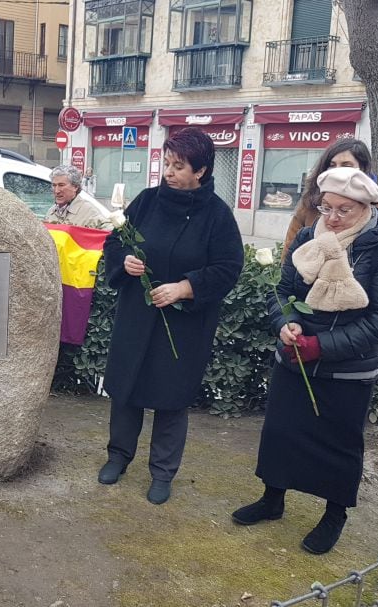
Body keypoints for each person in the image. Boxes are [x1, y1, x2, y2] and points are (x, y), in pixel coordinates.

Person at [232, 167, 378, 555]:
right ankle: (272, 498)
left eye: (342, 210)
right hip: (294, 355)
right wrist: (286, 324)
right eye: (325, 207)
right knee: (281, 430)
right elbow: (282, 291)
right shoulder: (311, 236)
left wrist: (322, 346)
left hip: (348, 366)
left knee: (339, 442)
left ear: (367, 207)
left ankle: (334, 515)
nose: (330, 218)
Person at [98, 127, 243, 504]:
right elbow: (115, 241)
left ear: (202, 171)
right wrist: (124, 261)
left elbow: (229, 267)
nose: (169, 171)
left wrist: (185, 287)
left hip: (183, 325)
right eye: (167, 163)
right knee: (126, 391)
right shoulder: (146, 202)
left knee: (171, 398)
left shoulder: (217, 215)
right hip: (136, 315)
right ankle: (118, 456)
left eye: (179, 166)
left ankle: (162, 472)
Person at [283, 138, 373, 261]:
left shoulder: (375, 213)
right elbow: (289, 254)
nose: (337, 170)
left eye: (347, 165)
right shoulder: (309, 204)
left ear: (362, 168)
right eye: (332, 165)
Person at [45, 165, 111, 229]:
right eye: (54, 185)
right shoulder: (51, 212)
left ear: (75, 187)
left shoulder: (89, 212)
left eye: (61, 185)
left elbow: (109, 234)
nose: (56, 191)